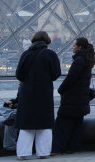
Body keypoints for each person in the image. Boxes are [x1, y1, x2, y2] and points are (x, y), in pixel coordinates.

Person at [16, 31, 61, 160]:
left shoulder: (26, 54)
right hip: (44, 92)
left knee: (26, 124)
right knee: (45, 124)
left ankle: (22, 154)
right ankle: (43, 152)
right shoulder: (50, 54)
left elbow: (19, 74)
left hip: (27, 93)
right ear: (47, 41)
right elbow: (56, 73)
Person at [52, 38, 94, 155]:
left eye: (74, 45)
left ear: (79, 47)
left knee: (62, 124)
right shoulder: (87, 59)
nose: (72, 47)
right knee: (76, 124)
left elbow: (71, 78)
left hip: (72, 99)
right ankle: (73, 147)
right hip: (81, 99)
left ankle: (57, 148)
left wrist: (61, 89)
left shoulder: (79, 60)